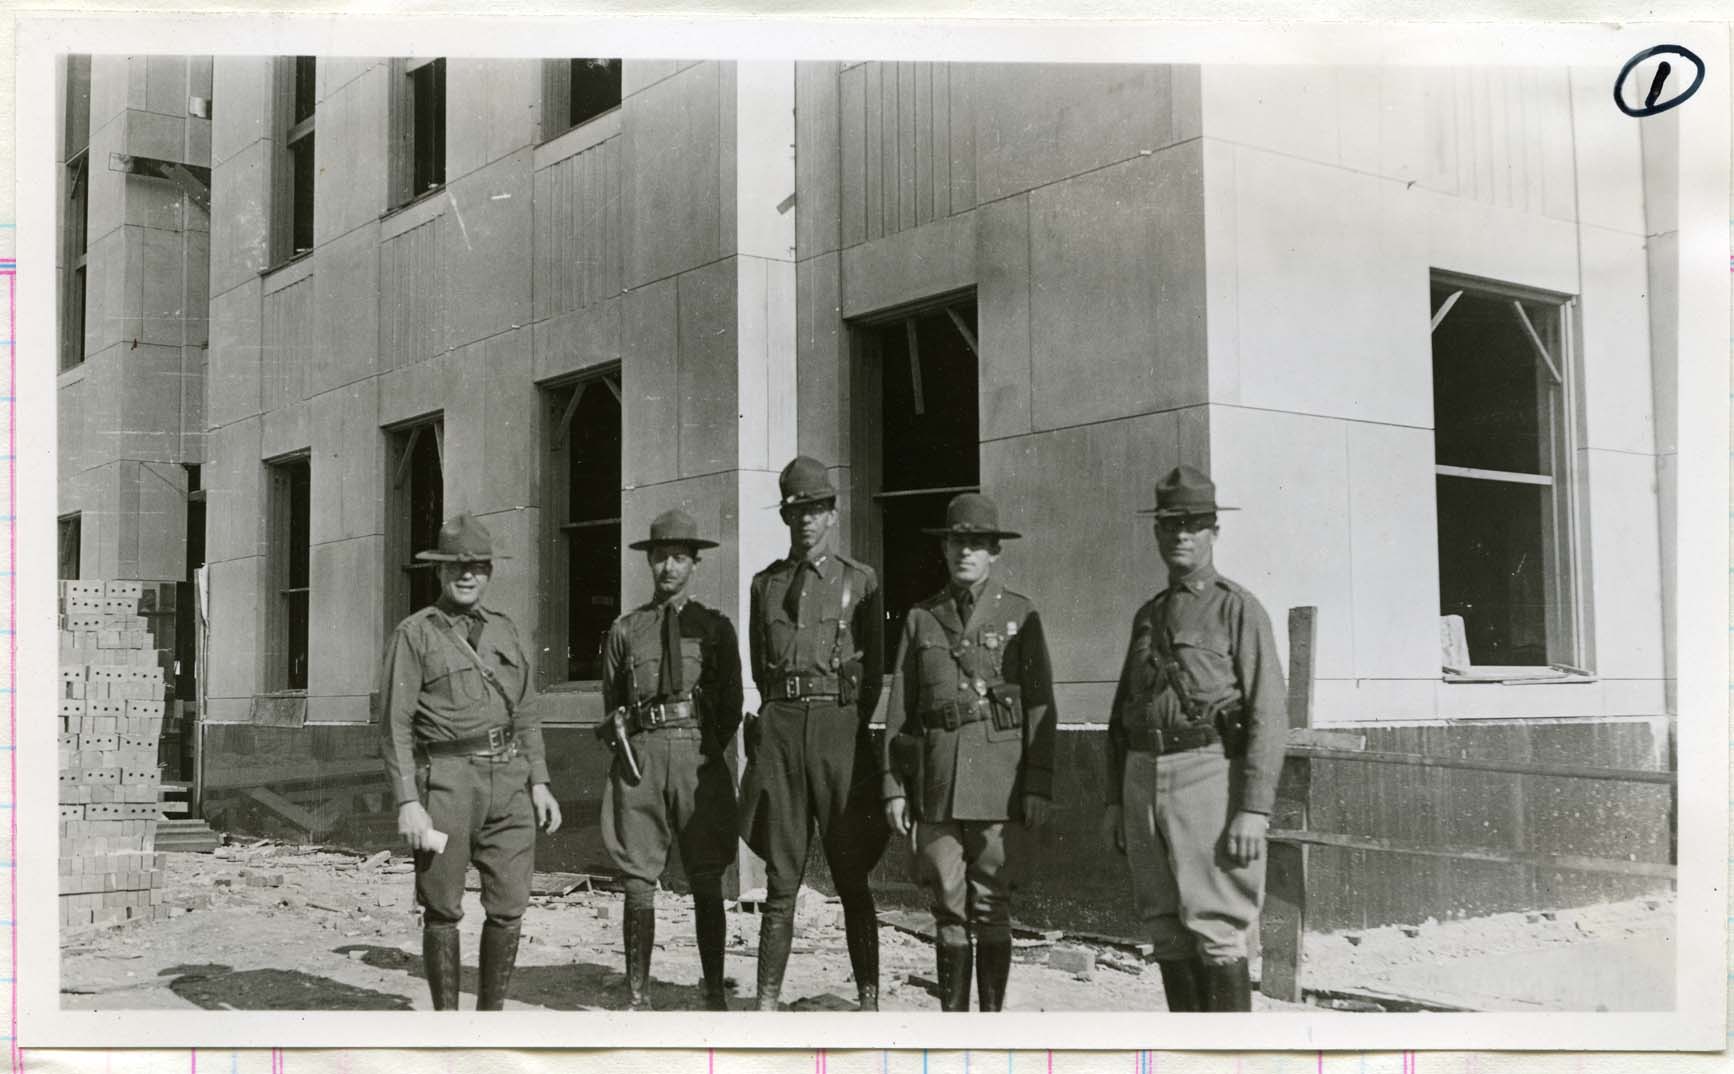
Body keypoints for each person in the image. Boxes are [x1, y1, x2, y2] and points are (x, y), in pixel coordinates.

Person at [1101, 465, 1287, 1012]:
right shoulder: (1148, 616)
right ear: (1157, 533)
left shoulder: (1238, 609)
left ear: (1213, 532)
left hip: (1208, 776)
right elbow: (1121, 717)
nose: (1181, 534)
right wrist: (1115, 799)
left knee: (1218, 926)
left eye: (1193, 523)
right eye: (1169, 525)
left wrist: (1254, 808)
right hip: (1142, 779)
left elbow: (1268, 714)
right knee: (1164, 928)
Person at [377, 512, 563, 1011]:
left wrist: (540, 782)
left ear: (489, 572)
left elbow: (525, 710)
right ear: (439, 572)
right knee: (442, 908)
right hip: (448, 782)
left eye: (478, 566)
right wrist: (408, 802)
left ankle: (490, 1021)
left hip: (510, 780)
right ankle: (448, 1030)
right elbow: (394, 724)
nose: (467, 575)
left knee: (509, 906)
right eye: (456, 567)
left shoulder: (505, 631)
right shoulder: (415, 634)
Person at [881, 493, 1056, 1012]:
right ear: (945, 548)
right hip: (936, 780)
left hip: (999, 783)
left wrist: (1038, 783)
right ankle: (954, 1031)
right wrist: (893, 785)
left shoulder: (1021, 614)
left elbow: (1044, 708)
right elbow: (900, 708)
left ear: (994, 552)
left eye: (977, 544)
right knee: (947, 906)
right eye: (958, 542)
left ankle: (991, 1030)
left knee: (992, 905)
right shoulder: (921, 618)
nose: (966, 553)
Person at [738, 455, 887, 1011]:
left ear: (832, 513)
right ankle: (766, 1005)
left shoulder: (860, 581)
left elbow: (871, 674)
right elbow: (760, 666)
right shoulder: (765, 586)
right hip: (781, 732)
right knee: (781, 880)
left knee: (851, 874)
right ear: (785, 515)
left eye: (816, 509)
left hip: (838, 733)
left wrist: (842, 722)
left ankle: (869, 1001)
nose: (806, 519)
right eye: (796, 510)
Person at [596, 509, 743, 1011]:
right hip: (643, 757)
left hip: (697, 756)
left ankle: (712, 993)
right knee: (638, 880)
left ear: (695, 564)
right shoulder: (626, 629)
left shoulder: (716, 629)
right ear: (649, 563)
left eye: (679, 557)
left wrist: (701, 748)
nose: (668, 567)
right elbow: (613, 699)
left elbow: (730, 705)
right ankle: (638, 995)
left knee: (706, 876)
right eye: (660, 557)